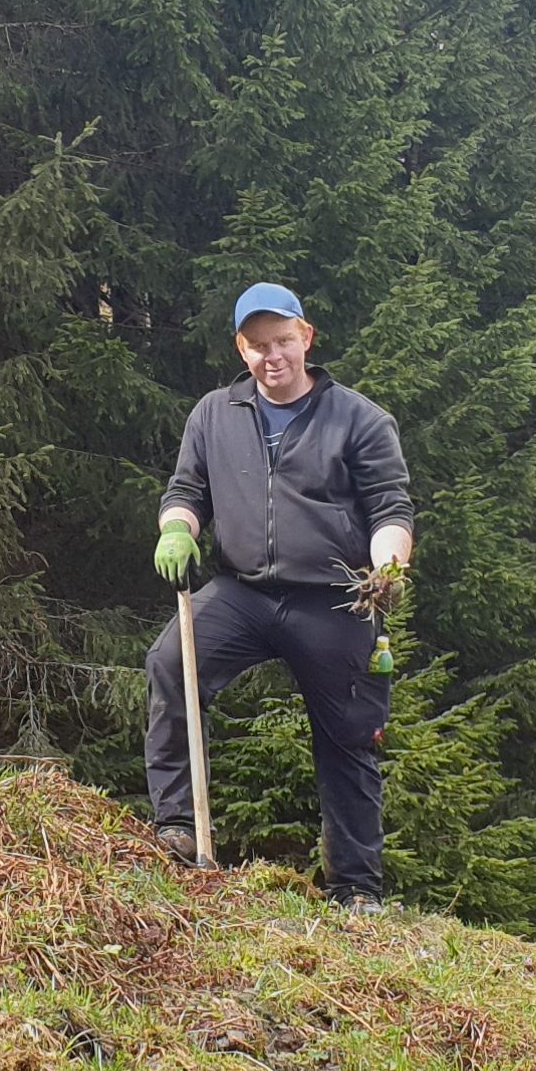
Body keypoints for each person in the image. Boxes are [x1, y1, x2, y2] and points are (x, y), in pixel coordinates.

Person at [144, 283, 413, 907]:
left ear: (306, 338)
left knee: (348, 733)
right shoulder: (214, 413)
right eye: (258, 345)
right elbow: (185, 492)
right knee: (168, 667)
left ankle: (355, 888)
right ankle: (179, 826)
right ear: (242, 348)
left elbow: (391, 510)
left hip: (334, 598)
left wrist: (389, 567)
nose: (273, 356)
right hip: (241, 592)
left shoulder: (360, 418)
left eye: (283, 342)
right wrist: (177, 532)